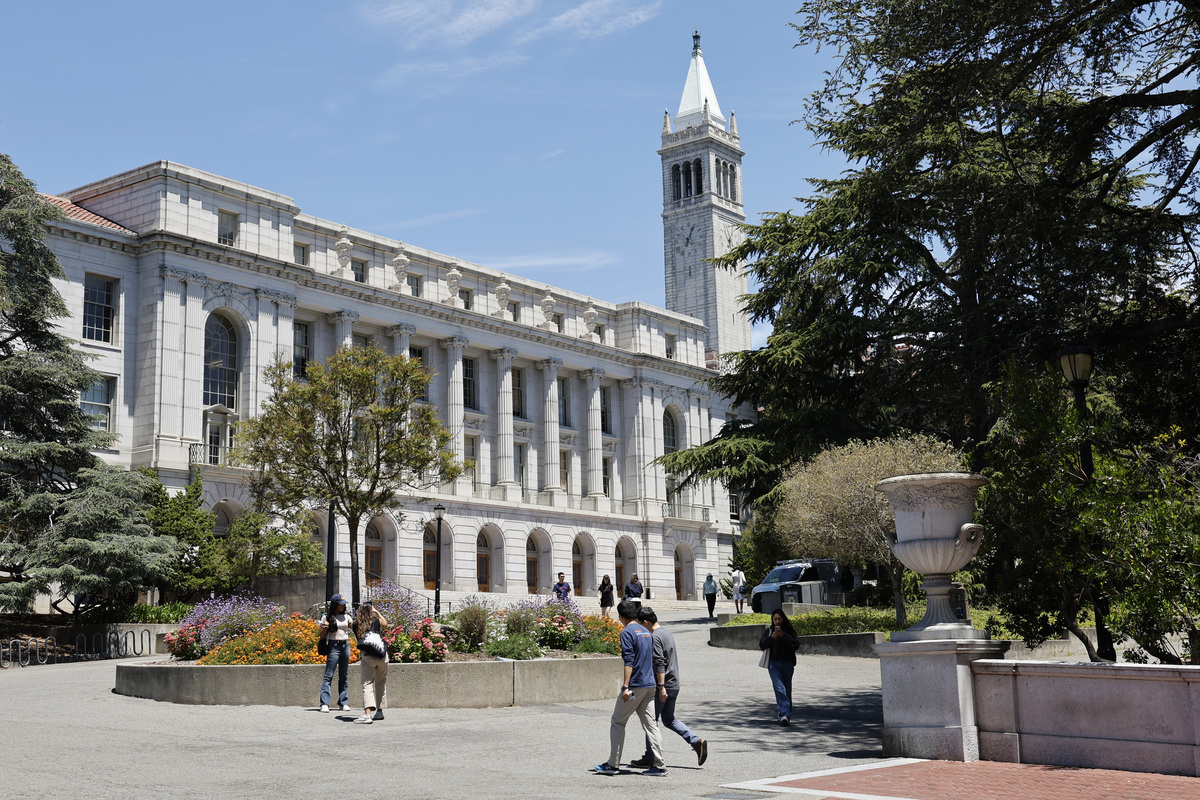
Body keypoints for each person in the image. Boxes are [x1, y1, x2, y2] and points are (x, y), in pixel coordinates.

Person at [592, 599, 665, 776]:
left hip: (635, 685)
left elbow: (629, 661)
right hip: (650, 685)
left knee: (618, 721)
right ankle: (660, 765)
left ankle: (613, 764)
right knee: (651, 725)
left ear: (622, 616)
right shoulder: (646, 631)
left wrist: (625, 686)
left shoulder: (627, 632)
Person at [629, 607, 707, 769]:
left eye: (640, 623)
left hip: (662, 685)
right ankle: (696, 741)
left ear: (646, 622)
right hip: (674, 683)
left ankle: (651, 757)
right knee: (669, 719)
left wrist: (661, 686)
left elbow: (659, 662)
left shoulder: (655, 637)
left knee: (651, 721)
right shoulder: (666, 632)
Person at [759, 609, 801, 725]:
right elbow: (762, 645)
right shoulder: (769, 631)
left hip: (787, 663)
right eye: (775, 619)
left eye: (779, 619)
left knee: (787, 689)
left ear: (783, 619)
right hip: (774, 664)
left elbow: (795, 645)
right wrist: (772, 638)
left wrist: (783, 636)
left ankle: (785, 712)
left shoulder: (788, 631)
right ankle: (785, 714)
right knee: (779, 688)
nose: (777, 622)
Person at [352, 601, 390, 724]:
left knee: (367, 684)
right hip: (382, 656)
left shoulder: (356, 624)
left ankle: (367, 715)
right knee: (381, 682)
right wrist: (377, 612)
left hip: (368, 657)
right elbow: (386, 624)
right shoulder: (377, 621)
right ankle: (379, 711)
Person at [317, 593, 353, 713]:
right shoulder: (327, 618)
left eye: (344, 605)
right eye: (340, 605)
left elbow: (355, 629)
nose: (343, 606)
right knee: (329, 675)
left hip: (345, 645)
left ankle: (343, 702)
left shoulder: (347, 617)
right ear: (335, 605)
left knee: (344, 675)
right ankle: (324, 703)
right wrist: (326, 627)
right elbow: (322, 636)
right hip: (334, 646)